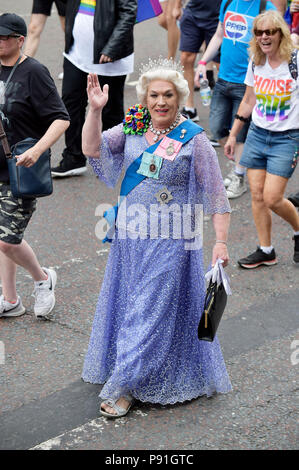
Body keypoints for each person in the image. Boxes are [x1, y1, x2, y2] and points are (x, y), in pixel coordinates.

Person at [81, 57, 232, 418]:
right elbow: (91, 149)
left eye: (168, 95)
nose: (160, 102)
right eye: (154, 95)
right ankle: (147, 368)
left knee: (149, 308)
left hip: (173, 240)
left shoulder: (193, 140)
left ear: (179, 98)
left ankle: (125, 386)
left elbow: (216, 194)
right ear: (145, 99)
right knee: (134, 305)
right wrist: (95, 111)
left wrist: (221, 241)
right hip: (130, 238)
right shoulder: (134, 127)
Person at [0, 13, 70, 318]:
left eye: (4, 37)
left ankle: (43, 279)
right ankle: (11, 299)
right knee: (3, 238)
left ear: (20, 40)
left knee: (6, 239)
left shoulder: (34, 72)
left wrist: (39, 150)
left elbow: (61, 118)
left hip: (19, 169)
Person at [224, 10, 299, 267]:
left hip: (286, 138)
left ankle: (298, 230)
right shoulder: (256, 62)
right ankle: (266, 250)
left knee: (273, 198)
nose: (264, 37)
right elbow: (248, 101)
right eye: (259, 32)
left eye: (270, 32)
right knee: (257, 195)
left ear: (280, 34)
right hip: (257, 134)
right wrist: (233, 135)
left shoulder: (295, 61)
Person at [195, 0, 276, 200]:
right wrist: (203, 61)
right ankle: (239, 164)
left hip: (248, 83)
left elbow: (277, 47)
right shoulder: (229, 2)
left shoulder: (266, 8)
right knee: (216, 128)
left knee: (239, 134)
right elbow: (219, 34)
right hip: (223, 77)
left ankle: (239, 176)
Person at [51, 0, 137, 178]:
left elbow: (128, 14)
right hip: (76, 54)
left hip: (108, 56)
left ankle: (111, 160)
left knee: (110, 110)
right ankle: (73, 157)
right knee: (70, 103)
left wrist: (112, 47)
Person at [173, 0, 222, 123]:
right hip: (193, 12)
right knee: (186, 57)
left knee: (220, 64)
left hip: (219, 16)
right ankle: (189, 108)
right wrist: (177, 6)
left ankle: (222, 113)